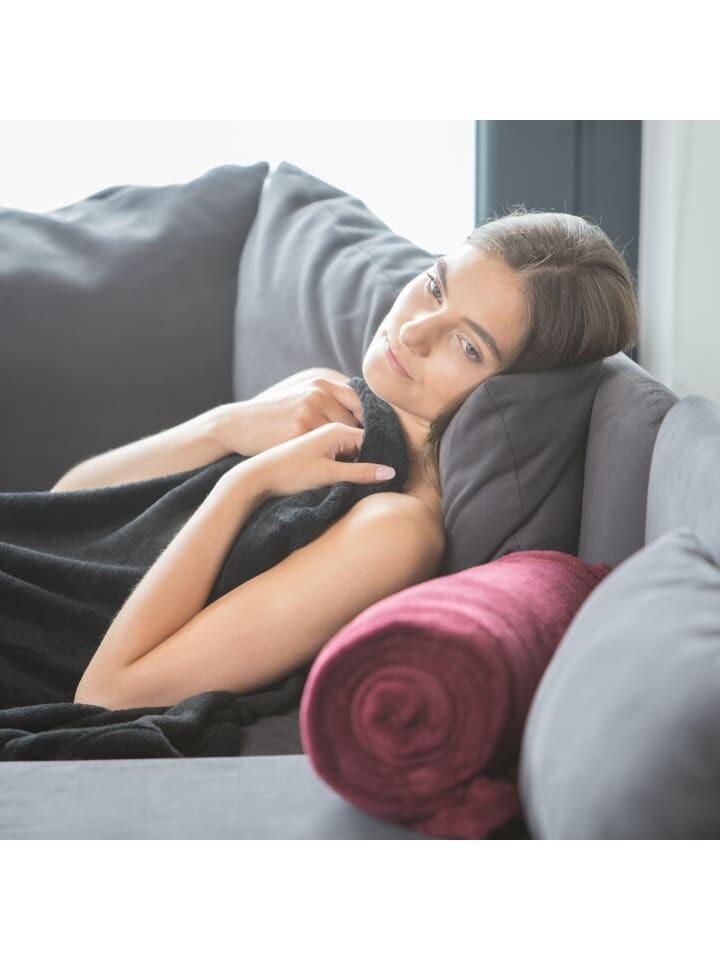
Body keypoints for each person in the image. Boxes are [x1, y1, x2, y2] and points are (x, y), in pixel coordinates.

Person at [66, 208, 639, 710]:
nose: (414, 331)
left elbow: (110, 694)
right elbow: (63, 505)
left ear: (514, 391)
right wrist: (226, 426)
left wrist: (247, 482)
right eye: (435, 288)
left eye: (468, 346)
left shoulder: (394, 530)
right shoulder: (317, 394)